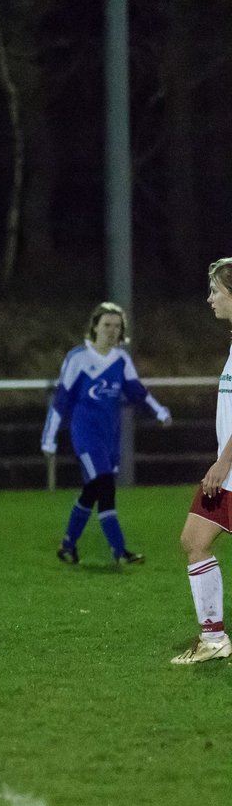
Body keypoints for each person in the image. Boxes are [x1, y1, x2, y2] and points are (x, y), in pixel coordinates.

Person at [40, 301, 171, 565]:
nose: (112, 330)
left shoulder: (121, 359)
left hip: (110, 437)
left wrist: (158, 411)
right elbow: (61, 400)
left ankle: (67, 546)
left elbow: (136, 392)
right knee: (105, 486)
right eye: (107, 325)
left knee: (93, 491)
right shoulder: (77, 358)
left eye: (117, 326)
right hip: (85, 436)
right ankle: (119, 551)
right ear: (95, 327)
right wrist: (49, 437)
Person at [173, 259, 232, 663]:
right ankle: (213, 639)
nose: (210, 299)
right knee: (194, 541)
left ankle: (213, 640)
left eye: (216, 291)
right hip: (228, 472)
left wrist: (223, 461)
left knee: (194, 541)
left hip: (228, 471)